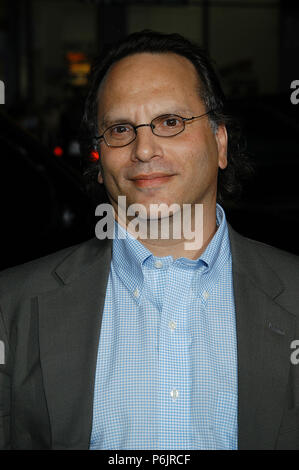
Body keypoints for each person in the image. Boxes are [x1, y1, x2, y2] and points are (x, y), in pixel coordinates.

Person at [0, 30, 299, 451]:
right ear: (100, 162)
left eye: (170, 122)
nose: (143, 149)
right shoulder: (11, 307)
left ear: (220, 142)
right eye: (120, 128)